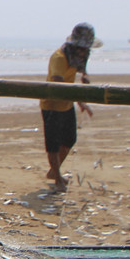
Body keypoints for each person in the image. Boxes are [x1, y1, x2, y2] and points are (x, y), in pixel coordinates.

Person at [38, 22, 100, 191]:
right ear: (74, 46)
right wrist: (78, 97)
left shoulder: (77, 59)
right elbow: (59, 84)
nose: (84, 52)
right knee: (53, 143)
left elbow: (75, 80)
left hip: (66, 105)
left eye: (86, 49)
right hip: (51, 104)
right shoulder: (60, 57)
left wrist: (81, 102)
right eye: (81, 48)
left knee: (69, 140)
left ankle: (54, 171)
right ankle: (57, 177)